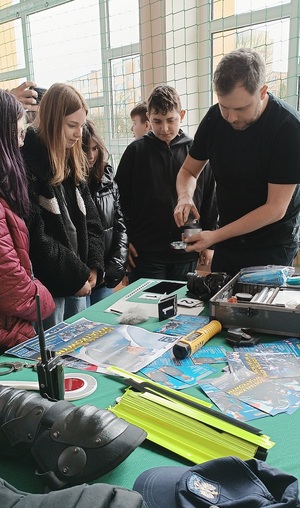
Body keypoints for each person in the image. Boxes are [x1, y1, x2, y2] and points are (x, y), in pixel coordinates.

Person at [174, 47, 300, 277]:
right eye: (224, 107)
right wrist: (184, 197)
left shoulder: (288, 128)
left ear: (262, 92)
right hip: (229, 239)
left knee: (260, 309)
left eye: (241, 108)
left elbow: (275, 208)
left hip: (271, 244)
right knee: (220, 308)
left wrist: (214, 236)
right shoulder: (214, 119)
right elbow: (189, 171)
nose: (231, 117)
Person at [21, 83, 105, 328]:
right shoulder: (28, 163)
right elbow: (36, 238)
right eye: (72, 125)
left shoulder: (71, 159)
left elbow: (92, 220)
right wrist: (77, 274)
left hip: (79, 283)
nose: (79, 134)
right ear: (51, 120)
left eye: (81, 126)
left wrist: (93, 266)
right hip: (50, 290)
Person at [115, 84, 218, 282]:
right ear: (148, 118)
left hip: (187, 248)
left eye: (171, 120)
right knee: (146, 310)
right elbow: (120, 202)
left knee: (182, 307)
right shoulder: (135, 152)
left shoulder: (197, 151)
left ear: (182, 115)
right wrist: (123, 241)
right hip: (146, 252)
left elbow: (210, 198)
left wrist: (210, 243)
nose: (164, 128)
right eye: (157, 121)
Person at [0, 89, 55, 352]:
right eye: (20, 134)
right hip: (8, 336)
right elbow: (11, 286)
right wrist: (44, 297)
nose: (22, 144)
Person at [82, 119, 128, 304]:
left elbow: (120, 225)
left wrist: (116, 265)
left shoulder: (108, 179)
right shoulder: (69, 183)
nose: (91, 155)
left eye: (95, 148)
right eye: (85, 149)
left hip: (104, 277)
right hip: (80, 276)